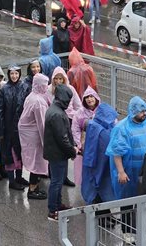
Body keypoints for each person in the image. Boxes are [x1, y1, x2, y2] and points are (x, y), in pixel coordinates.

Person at [106, 96, 146, 237]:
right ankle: (128, 235)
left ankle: (144, 232)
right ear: (133, 111)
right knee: (128, 204)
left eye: (145, 111)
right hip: (129, 173)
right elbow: (116, 153)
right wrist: (121, 172)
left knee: (145, 202)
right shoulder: (122, 128)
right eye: (141, 111)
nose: (145, 114)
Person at [44, 84, 78, 221]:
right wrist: (72, 150)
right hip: (58, 154)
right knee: (56, 182)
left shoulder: (54, 109)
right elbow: (62, 138)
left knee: (56, 181)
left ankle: (58, 205)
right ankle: (53, 211)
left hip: (54, 153)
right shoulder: (57, 114)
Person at [81, 103, 117, 227]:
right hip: (99, 166)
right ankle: (101, 217)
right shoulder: (101, 130)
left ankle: (105, 214)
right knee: (99, 190)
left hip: (98, 165)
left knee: (101, 190)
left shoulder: (95, 126)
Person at [0, 64, 29, 190]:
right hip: (8, 128)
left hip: (21, 128)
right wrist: (1, 129)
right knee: (10, 154)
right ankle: (11, 180)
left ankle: (19, 177)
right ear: (8, 75)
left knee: (20, 153)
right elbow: (0, 111)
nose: (14, 76)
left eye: (16, 73)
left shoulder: (25, 87)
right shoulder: (4, 89)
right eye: (12, 74)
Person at [18, 73, 51, 200]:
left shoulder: (32, 96)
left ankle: (34, 187)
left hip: (27, 133)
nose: (46, 87)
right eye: (44, 84)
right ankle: (33, 189)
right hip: (34, 135)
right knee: (37, 161)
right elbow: (42, 124)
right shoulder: (39, 102)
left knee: (33, 160)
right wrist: (46, 143)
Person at [70, 86, 100, 186]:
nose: (89, 99)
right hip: (84, 147)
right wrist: (80, 145)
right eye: (87, 97)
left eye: (91, 96)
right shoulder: (79, 113)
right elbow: (75, 130)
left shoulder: (102, 111)